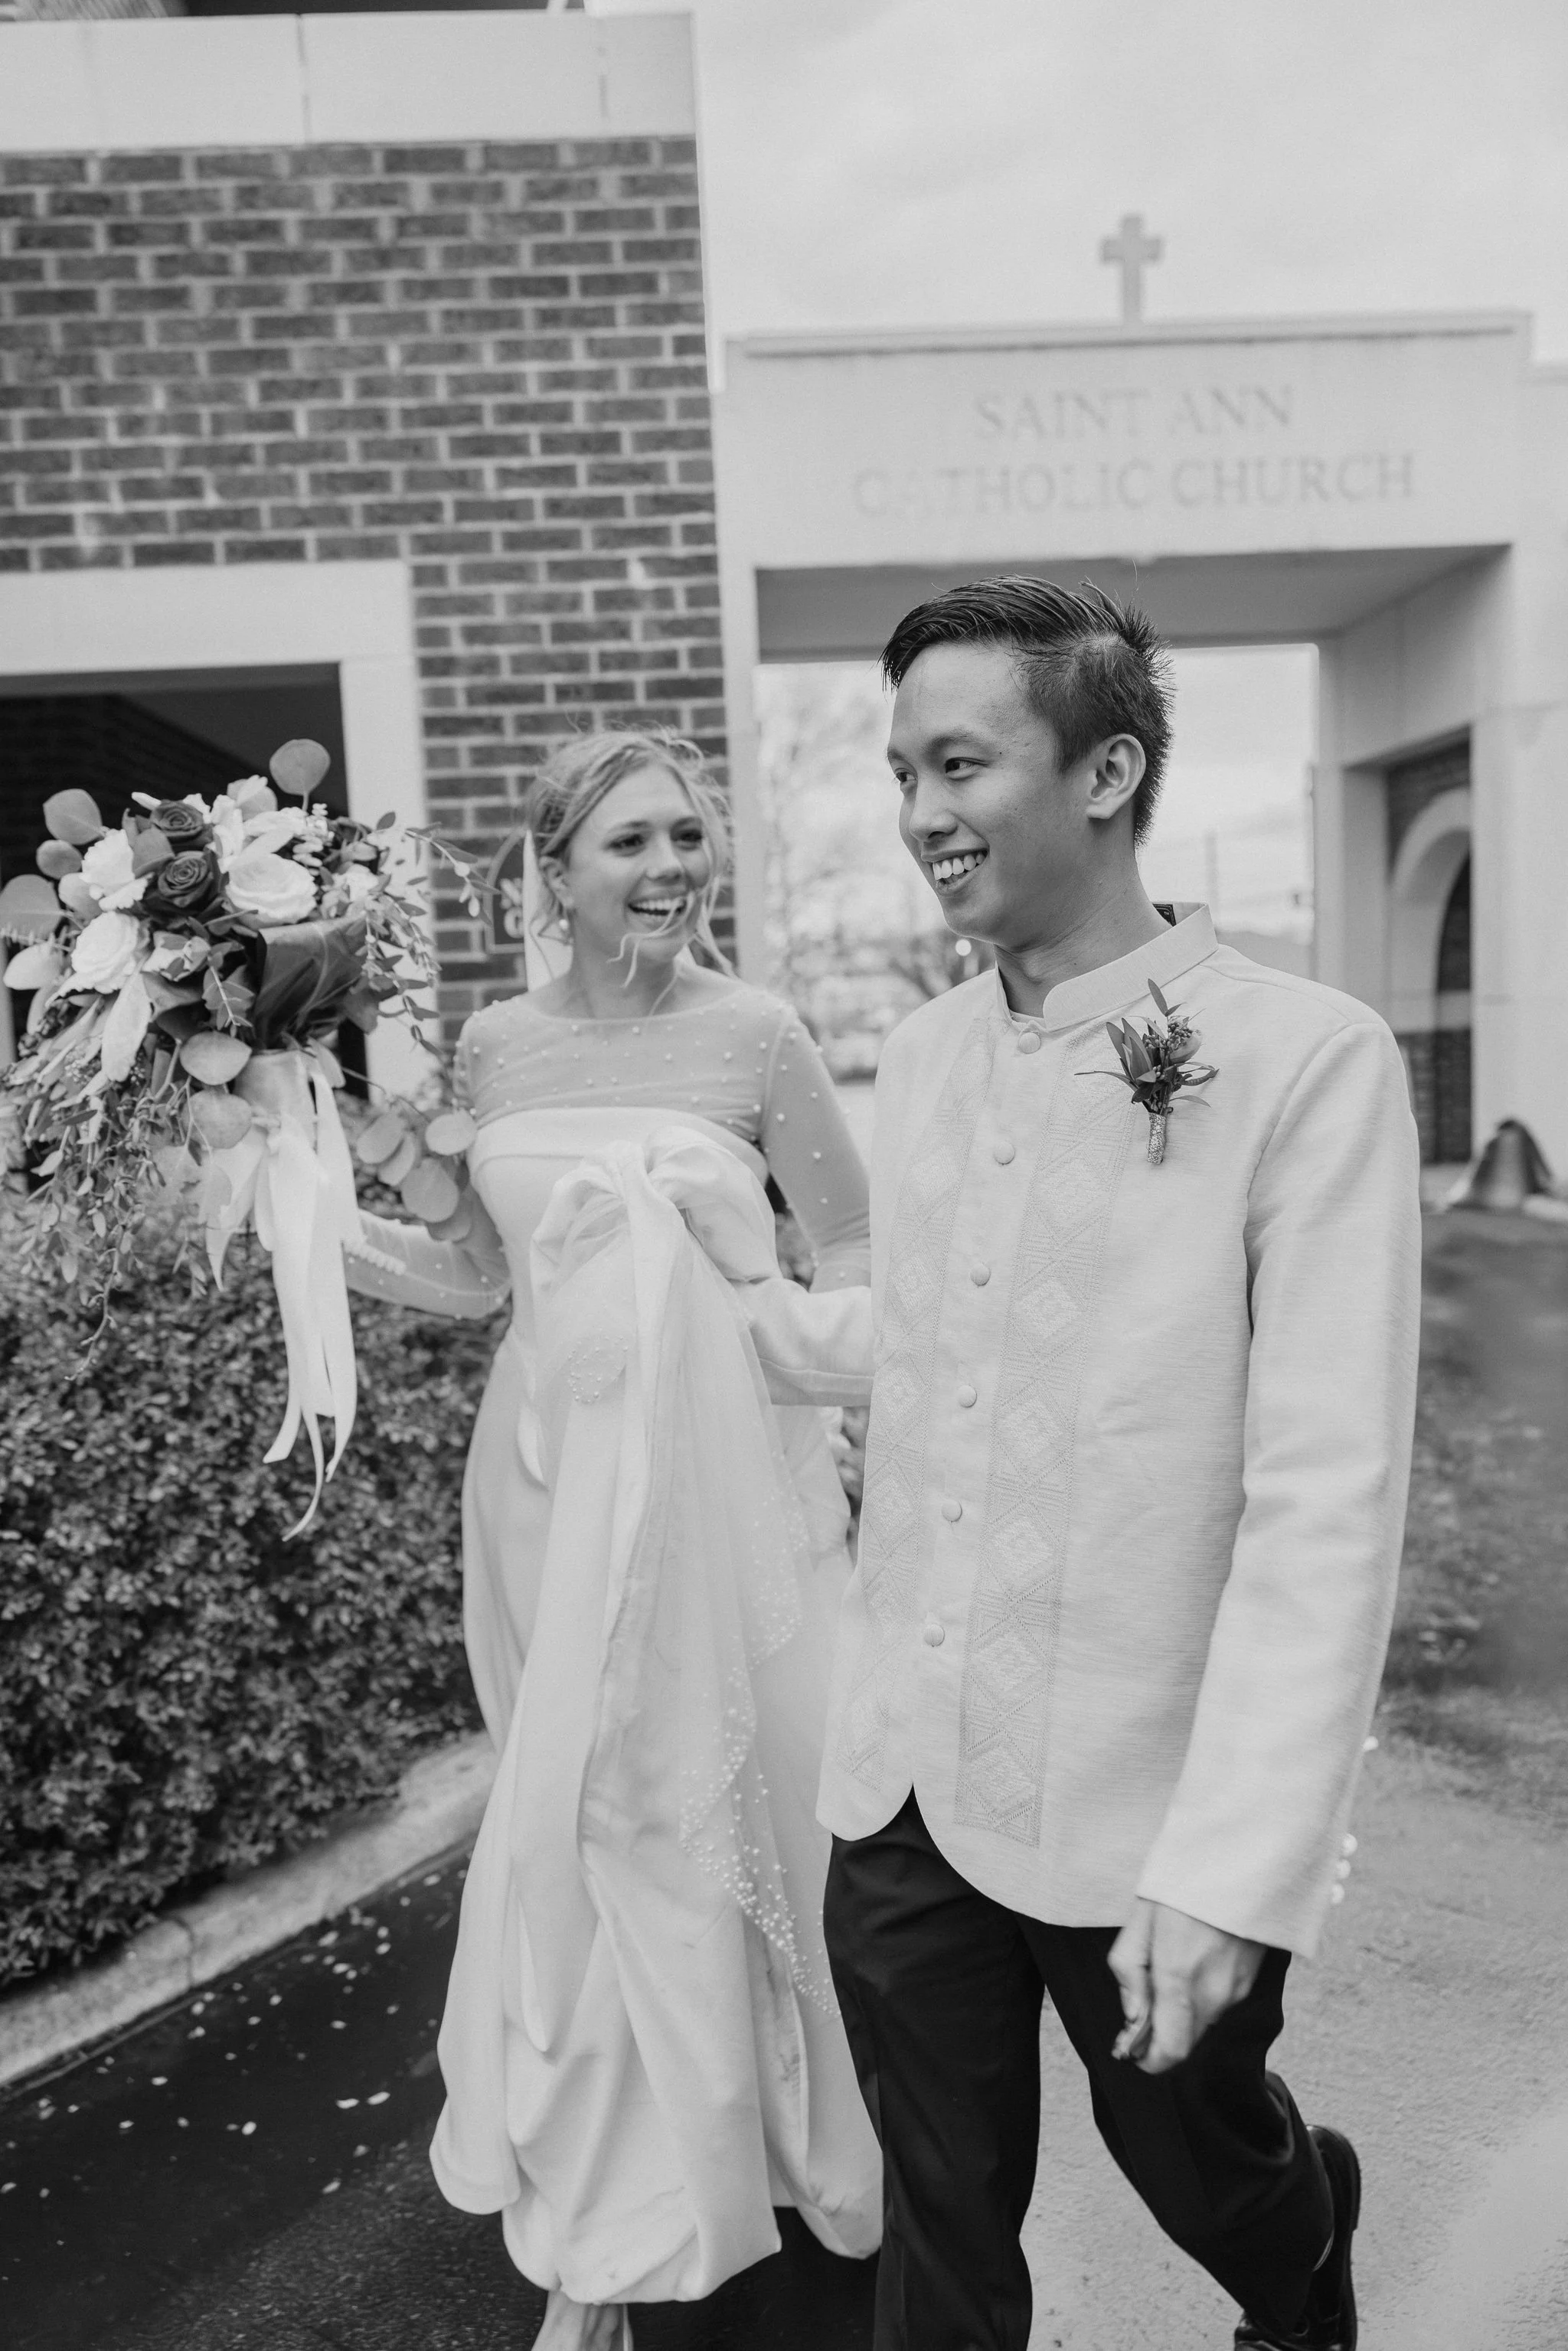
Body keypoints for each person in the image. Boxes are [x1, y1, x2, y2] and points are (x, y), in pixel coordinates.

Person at [736, 579, 1422, 2351]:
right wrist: (704, 1324)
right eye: (899, 769)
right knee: (938, 2238)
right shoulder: (930, 1045)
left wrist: (1233, 1865)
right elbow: (928, 1348)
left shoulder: (1305, 1065)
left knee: (1205, 2164)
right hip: (900, 1783)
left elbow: (1324, 1504)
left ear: (1108, 767)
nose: (915, 815)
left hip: (1141, 1798)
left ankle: (1302, 2266)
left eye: (958, 761)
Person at [345, 727, 881, 2349]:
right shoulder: (489, 1052)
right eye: (631, 842)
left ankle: (765, 2143)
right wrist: (317, 1226)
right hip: (544, 1487)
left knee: (734, 1793)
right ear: (553, 871)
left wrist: (791, 1313)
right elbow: (475, 1275)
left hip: (736, 1486)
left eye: (686, 837)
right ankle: (610, 2187)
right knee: (584, 1806)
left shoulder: (758, 1034)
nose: (667, 868)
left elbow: (854, 1240)